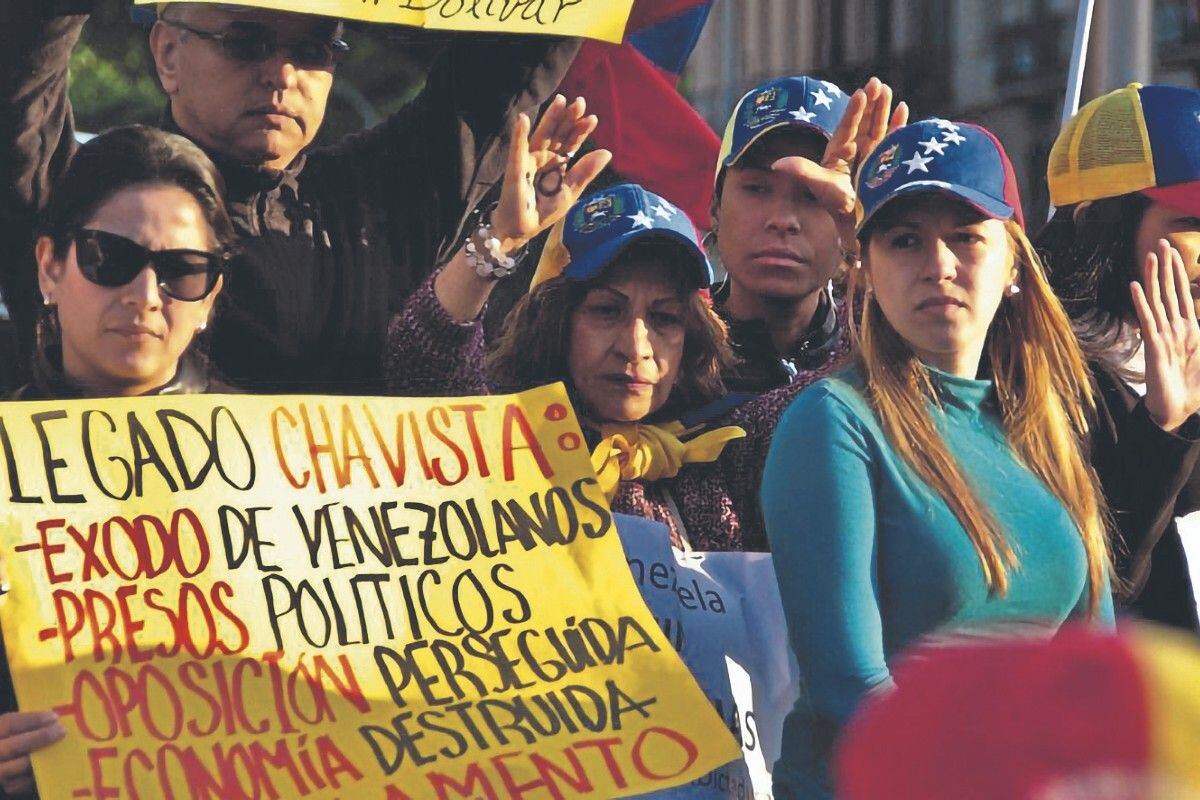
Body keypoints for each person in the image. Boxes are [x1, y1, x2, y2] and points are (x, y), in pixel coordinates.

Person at [762, 119, 1118, 798]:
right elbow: (853, 686)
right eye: (905, 241)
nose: (938, 264)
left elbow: (1093, 667)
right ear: (863, 267)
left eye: (965, 236)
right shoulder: (832, 422)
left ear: (1013, 262)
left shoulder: (1043, 428)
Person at [0, 1, 579, 393]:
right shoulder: (95, 215)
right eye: (245, 42)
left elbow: (515, 51)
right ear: (168, 54)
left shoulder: (381, 202)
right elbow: (16, 74)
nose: (281, 73)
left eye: (314, 49)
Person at [0, 123, 237, 797]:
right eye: (110, 258)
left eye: (184, 272)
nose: (145, 295)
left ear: (211, 297)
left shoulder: (289, 470)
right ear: (50, 266)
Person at [1037, 83, 1200, 633]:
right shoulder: (1037, 366)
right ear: (1098, 222)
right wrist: (1163, 426)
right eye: (1191, 222)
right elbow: (1098, 579)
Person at [710, 75, 907, 394]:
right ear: (715, 208)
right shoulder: (660, 360)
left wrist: (883, 235)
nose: (782, 220)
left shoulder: (895, 357)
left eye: (814, 195)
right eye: (757, 188)